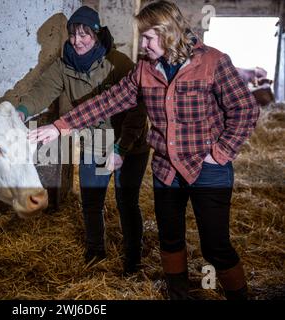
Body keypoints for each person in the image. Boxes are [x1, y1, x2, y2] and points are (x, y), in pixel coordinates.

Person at [29, 1, 260, 300]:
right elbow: (108, 101)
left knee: (215, 245)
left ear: (167, 34)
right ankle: (178, 295)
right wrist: (60, 126)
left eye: (148, 37)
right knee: (170, 239)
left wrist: (221, 152)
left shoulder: (214, 62)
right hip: (166, 171)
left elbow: (245, 110)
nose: (143, 44)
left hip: (209, 171)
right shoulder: (145, 70)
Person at [18, 6, 149, 274]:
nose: (77, 41)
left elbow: (138, 109)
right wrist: (21, 111)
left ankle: (133, 258)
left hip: (129, 142)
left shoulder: (119, 64)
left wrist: (122, 147)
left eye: (84, 34)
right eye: (73, 35)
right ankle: (95, 252)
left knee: (127, 202)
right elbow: (42, 92)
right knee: (91, 201)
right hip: (93, 143)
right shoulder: (63, 66)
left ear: (97, 35)